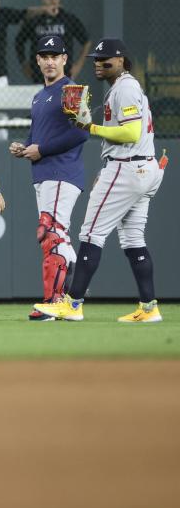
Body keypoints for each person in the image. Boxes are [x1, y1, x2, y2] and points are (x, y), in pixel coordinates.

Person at [34, 38, 165, 323]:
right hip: (143, 167)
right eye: (95, 59)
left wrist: (90, 127)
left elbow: (130, 133)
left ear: (121, 61)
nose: (98, 64)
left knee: (90, 234)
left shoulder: (126, 87)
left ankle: (73, 304)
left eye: (105, 60)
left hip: (128, 167)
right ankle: (149, 307)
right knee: (133, 239)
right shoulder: (124, 87)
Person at [8, 36, 89, 320]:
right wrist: (25, 146)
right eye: (45, 55)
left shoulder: (71, 89)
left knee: (50, 233)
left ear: (65, 59)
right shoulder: (39, 95)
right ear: (38, 60)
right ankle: (73, 299)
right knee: (58, 236)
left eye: (56, 55)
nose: (50, 60)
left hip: (62, 171)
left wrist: (41, 149)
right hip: (44, 173)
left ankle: (54, 301)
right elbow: (38, 135)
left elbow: (81, 132)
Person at [15, 0, 90, 83]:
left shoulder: (68, 18)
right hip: (39, 75)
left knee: (71, 99)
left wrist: (78, 66)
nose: (53, 1)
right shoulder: (34, 20)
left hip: (65, 74)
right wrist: (24, 64)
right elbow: (19, 41)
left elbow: (86, 42)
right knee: (41, 98)